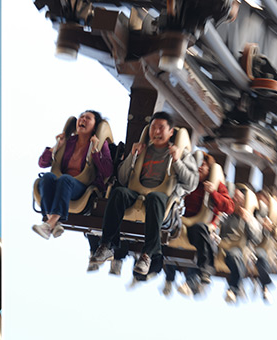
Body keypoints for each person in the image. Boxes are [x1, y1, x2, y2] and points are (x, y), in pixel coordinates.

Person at [92, 111, 199, 275]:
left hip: (163, 198)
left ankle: (147, 254)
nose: (156, 132)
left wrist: (177, 160)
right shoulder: (142, 149)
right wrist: (133, 156)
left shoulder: (182, 154)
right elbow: (122, 177)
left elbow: (191, 184)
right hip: (137, 193)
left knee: (155, 198)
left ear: (171, 132)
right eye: (153, 127)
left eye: (161, 128)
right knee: (119, 192)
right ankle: (107, 245)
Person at [32, 110, 113, 239]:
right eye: (81, 117)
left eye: (88, 118)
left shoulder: (100, 144)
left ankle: (49, 224)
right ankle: (53, 222)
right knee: (46, 178)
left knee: (65, 179)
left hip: (82, 188)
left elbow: (108, 171)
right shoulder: (69, 141)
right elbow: (42, 163)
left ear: (95, 126)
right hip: (62, 184)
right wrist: (56, 147)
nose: (83, 120)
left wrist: (95, 152)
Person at [162, 152, 234, 296]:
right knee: (166, 227)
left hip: (201, 226)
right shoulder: (189, 180)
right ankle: (166, 275)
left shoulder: (216, 184)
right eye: (197, 165)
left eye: (203, 165)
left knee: (200, 231)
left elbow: (229, 207)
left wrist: (213, 192)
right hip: (182, 221)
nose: (199, 168)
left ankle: (201, 274)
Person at [219, 187, 262, 304]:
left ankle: (233, 289)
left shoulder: (252, 220)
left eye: (238, 198)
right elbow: (219, 227)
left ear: (244, 201)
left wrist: (247, 221)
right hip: (222, 247)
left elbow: (256, 238)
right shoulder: (227, 216)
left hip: (238, 251)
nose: (235, 199)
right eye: (234, 197)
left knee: (235, 255)